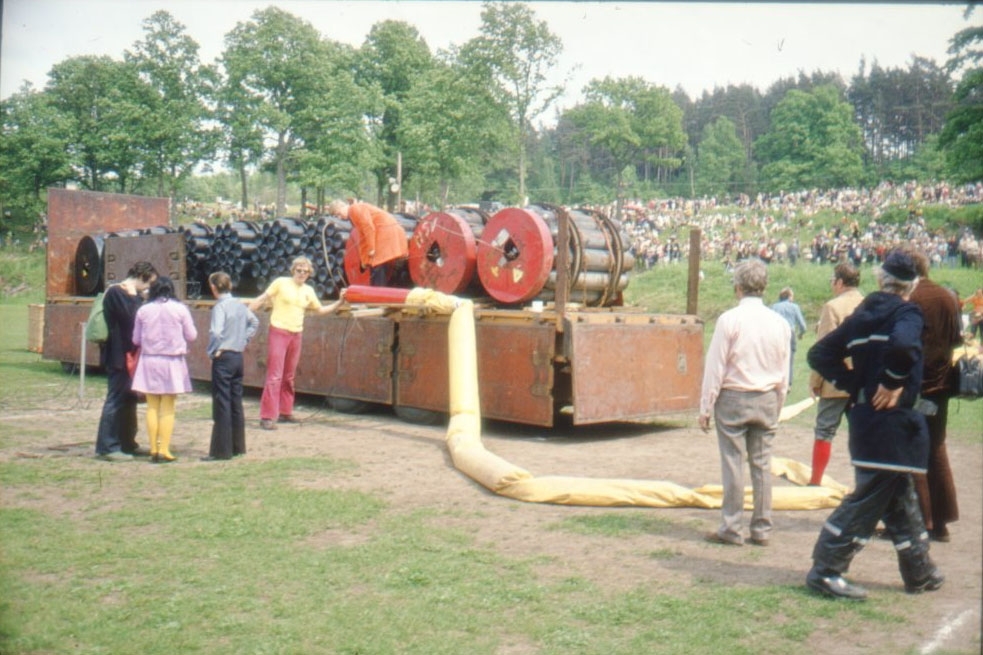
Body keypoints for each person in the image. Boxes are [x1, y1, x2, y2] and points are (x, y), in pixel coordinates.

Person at [805, 250, 943, 601]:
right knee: (869, 498)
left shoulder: (860, 315)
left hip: (866, 421)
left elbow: (819, 354)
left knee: (898, 495)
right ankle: (826, 570)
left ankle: (920, 570)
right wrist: (892, 381)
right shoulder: (907, 311)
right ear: (911, 286)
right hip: (893, 425)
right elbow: (903, 345)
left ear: (880, 279)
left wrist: (856, 386)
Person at [699, 259, 791, 547]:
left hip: (733, 397)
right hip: (766, 397)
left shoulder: (729, 320)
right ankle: (762, 528)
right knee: (762, 465)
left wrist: (705, 406)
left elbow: (715, 366)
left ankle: (732, 527)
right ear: (764, 287)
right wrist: (778, 402)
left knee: (733, 463)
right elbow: (784, 369)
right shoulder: (780, 322)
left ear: (738, 288)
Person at [248, 256, 346, 430]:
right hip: (278, 331)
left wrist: (340, 302)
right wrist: (246, 311)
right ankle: (267, 416)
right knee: (275, 375)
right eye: (299, 270)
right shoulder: (280, 283)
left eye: (305, 271)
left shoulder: (308, 290)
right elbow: (263, 298)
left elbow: (320, 310)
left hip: (296, 334)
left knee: (289, 375)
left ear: (309, 273)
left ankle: (286, 411)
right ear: (293, 270)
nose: (301, 273)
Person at [907, 248, 963, 542]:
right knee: (937, 450)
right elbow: (956, 341)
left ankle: (923, 520)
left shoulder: (912, 299)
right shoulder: (947, 297)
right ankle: (941, 522)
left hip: (916, 385)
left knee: (913, 450)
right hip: (942, 385)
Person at [94, 261, 158, 461]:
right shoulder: (116, 293)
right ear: (142, 277)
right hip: (119, 355)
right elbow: (132, 318)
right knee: (115, 399)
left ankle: (127, 442)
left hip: (130, 354)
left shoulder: (131, 295)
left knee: (129, 400)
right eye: (148, 284)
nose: (148, 289)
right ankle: (107, 446)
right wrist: (138, 300)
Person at [807, 263, 864, 486]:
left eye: (833, 280)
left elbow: (824, 347)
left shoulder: (832, 307)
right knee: (861, 433)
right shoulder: (868, 303)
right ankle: (863, 483)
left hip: (835, 380)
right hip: (862, 379)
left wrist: (815, 381)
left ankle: (816, 480)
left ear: (840, 282)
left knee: (824, 430)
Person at [131, 276, 198, 463]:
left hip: (149, 360)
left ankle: (153, 448)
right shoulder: (180, 309)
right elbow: (192, 335)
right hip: (172, 361)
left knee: (152, 406)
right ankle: (164, 449)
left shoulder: (143, 310)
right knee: (168, 407)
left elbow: (135, 339)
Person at [203, 271, 259, 461]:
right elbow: (254, 322)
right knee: (236, 402)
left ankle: (221, 450)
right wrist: (243, 340)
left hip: (224, 356)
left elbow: (216, 332)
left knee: (222, 403)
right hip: (237, 356)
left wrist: (212, 352)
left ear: (213, 287)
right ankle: (237, 446)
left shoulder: (220, 307)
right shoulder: (239, 305)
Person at [327, 198, 408, 286]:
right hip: (388, 232)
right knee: (379, 267)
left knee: (377, 265)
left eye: (338, 213)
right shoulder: (355, 212)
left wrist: (371, 249)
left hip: (386, 233)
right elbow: (362, 236)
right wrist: (364, 259)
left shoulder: (355, 209)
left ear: (342, 207)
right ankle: (379, 292)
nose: (340, 217)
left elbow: (368, 228)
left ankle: (377, 294)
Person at [770, 286, 807, 384]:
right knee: (789, 358)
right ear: (789, 296)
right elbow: (802, 325)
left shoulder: (774, 307)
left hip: (776, 334)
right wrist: (801, 333)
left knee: (776, 357)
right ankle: (788, 383)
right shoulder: (794, 307)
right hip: (790, 333)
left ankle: (775, 380)